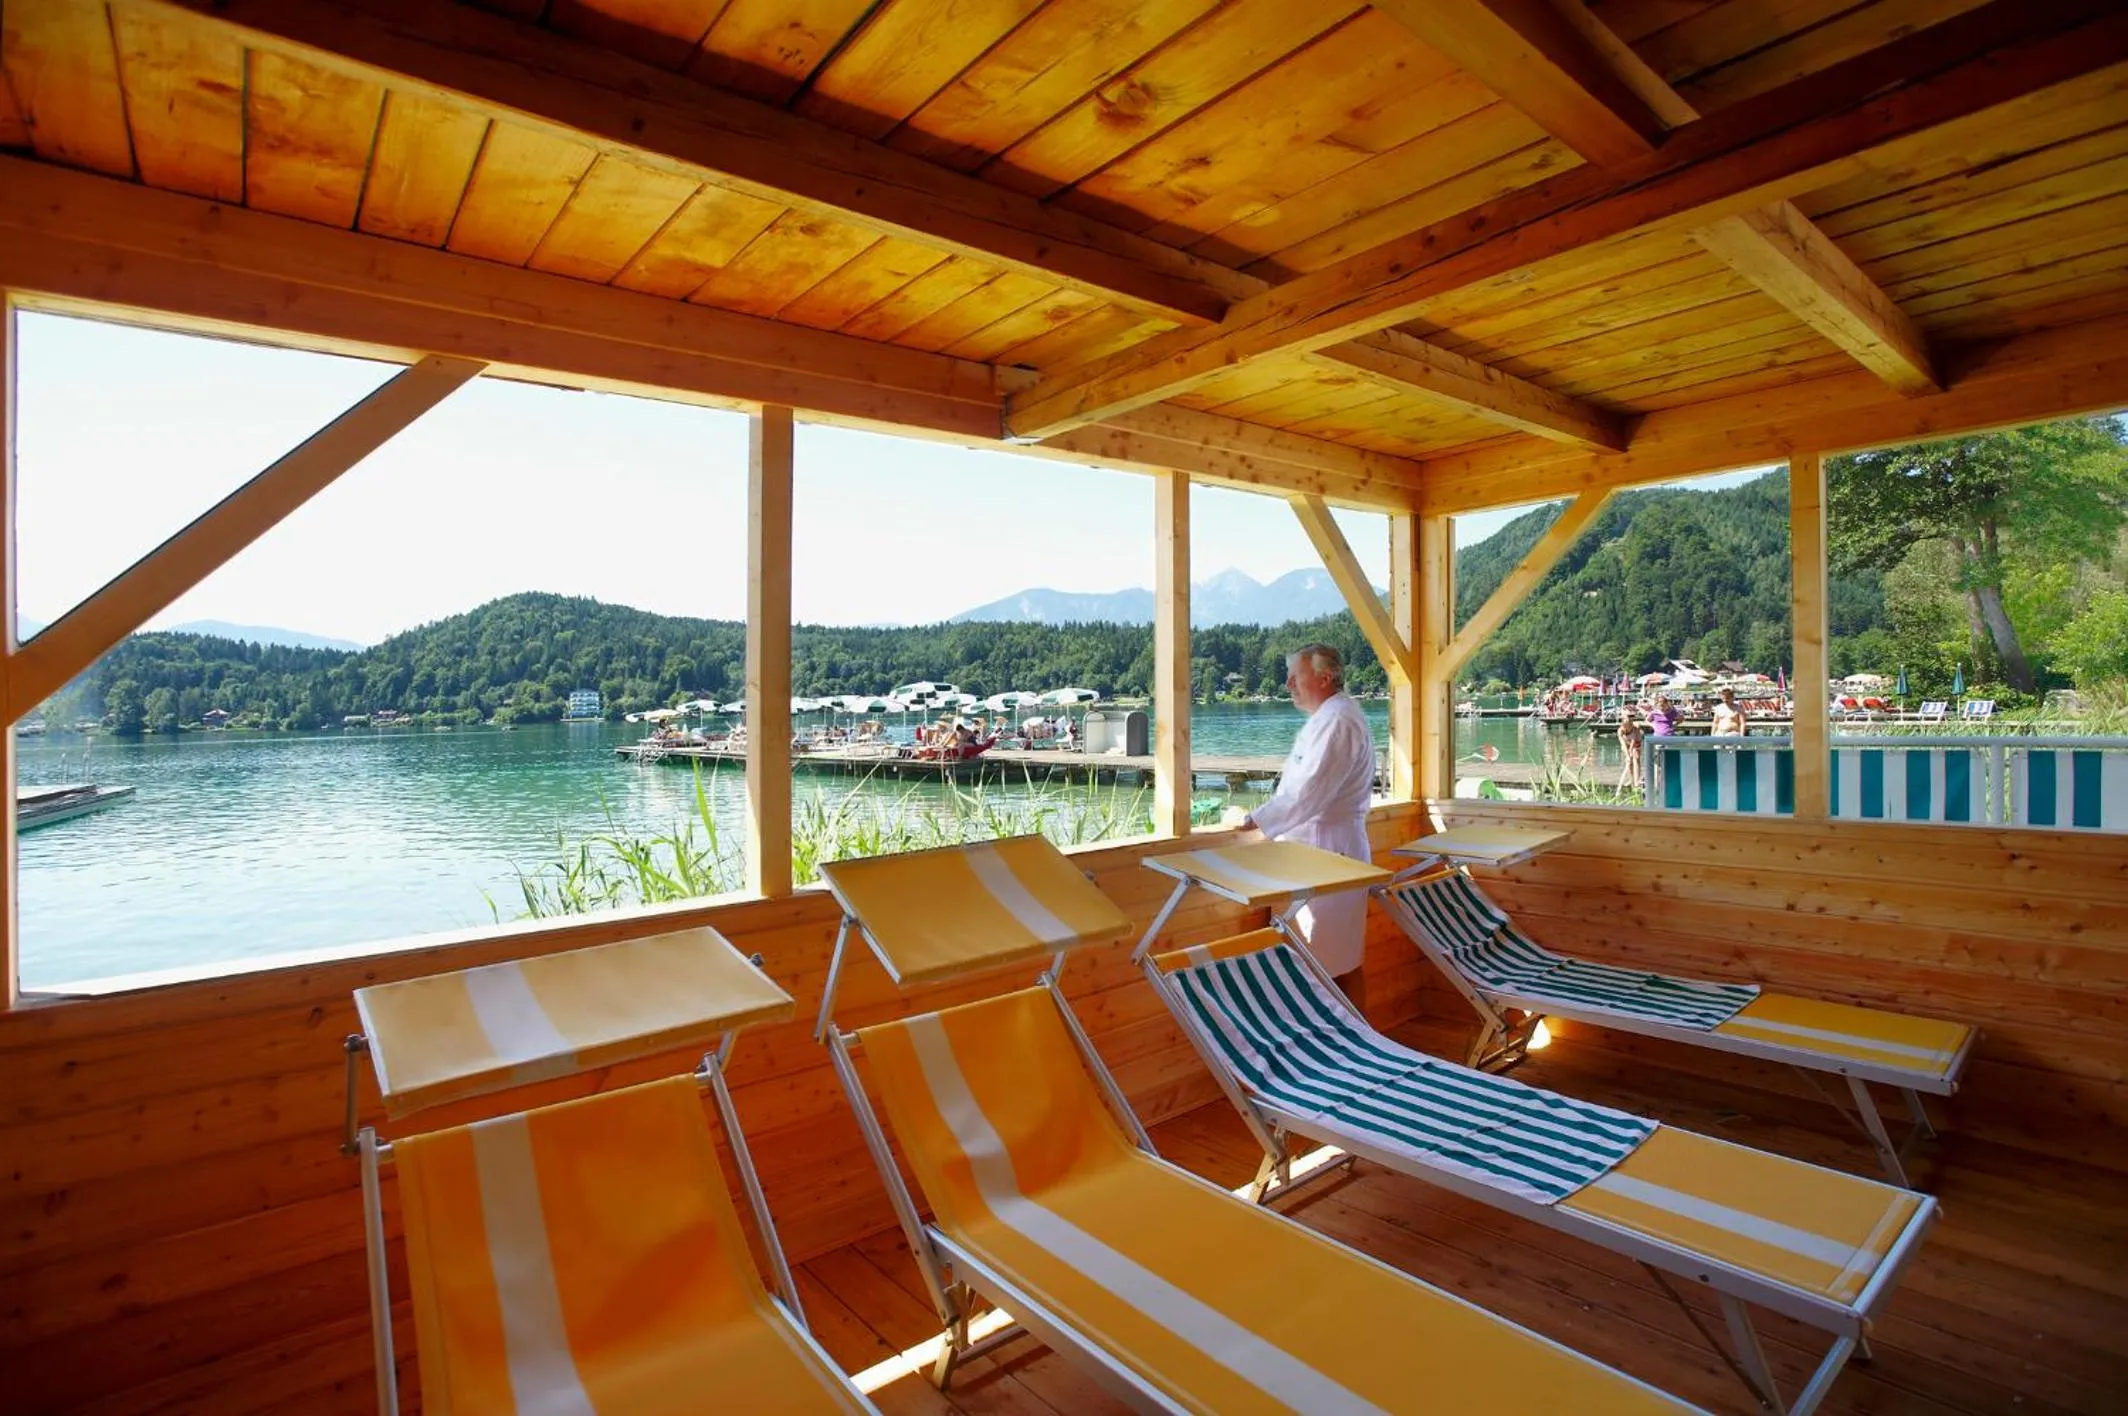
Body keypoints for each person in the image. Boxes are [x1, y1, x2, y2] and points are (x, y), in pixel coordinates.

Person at [1240, 644, 1376, 987]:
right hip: (1313, 855)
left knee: (1334, 967)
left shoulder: (1339, 721)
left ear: (1325, 678)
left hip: (1330, 853)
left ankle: (1354, 1040)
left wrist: (1255, 819)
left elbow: (1309, 791)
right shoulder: (1329, 717)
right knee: (1324, 962)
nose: (1287, 684)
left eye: (1295, 676)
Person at [1617, 706, 1645, 790]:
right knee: (1628, 762)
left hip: (1636, 742)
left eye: (1630, 719)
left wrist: (1631, 752)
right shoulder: (1620, 730)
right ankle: (1631, 780)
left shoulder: (1635, 727)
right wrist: (1627, 755)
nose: (1628, 721)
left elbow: (1633, 741)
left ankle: (1637, 781)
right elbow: (1623, 744)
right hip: (1626, 744)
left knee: (1636, 758)